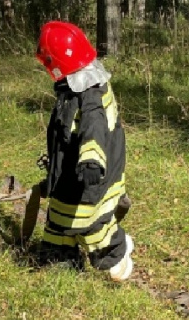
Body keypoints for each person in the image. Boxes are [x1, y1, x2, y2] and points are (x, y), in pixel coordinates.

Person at [34, 21, 134, 282]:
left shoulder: (90, 95)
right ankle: (61, 259)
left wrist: (90, 160)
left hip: (90, 175)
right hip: (68, 174)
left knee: (90, 224)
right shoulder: (73, 87)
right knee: (57, 220)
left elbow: (94, 128)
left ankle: (118, 254)